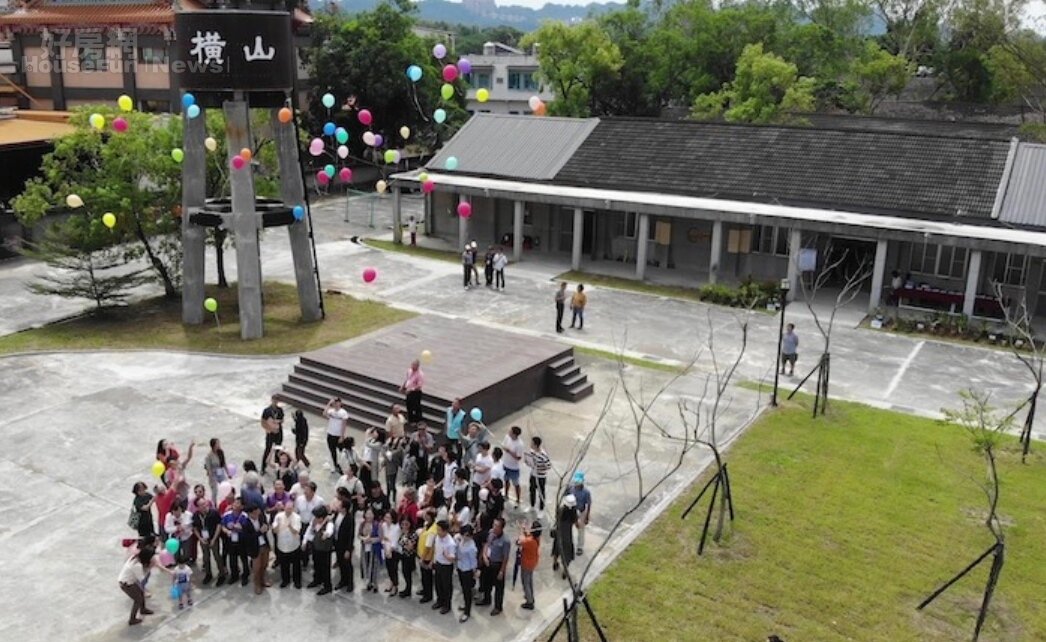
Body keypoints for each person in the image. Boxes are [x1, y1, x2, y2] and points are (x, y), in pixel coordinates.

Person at [477, 516, 510, 615]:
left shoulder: (505, 541)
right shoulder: (491, 533)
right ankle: (486, 599)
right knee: (486, 583)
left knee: (499, 588)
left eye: (497, 526)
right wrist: (484, 556)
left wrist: (501, 571)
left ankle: (498, 607)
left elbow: (505, 557)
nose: (494, 527)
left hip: (498, 564)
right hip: (488, 562)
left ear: (501, 528)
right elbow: (487, 544)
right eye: (494, 525)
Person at [118, 547, 156, 626]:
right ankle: (132, 619)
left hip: (127, 580)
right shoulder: (137, 566)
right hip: (127, 583)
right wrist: (149, 568)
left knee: (141, 593)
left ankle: (143, 609)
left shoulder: (134, 558)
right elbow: (142, 580)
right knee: (137, 599)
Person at [193, 497, 226, 586]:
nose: (204, 506)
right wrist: (200, 538)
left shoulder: (214, 513)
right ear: (198, 507)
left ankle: (222, 574)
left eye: (205, 503)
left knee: (217, 556)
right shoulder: (196, 515)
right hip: (203, 540)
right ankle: (208, 574)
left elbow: (219, 526)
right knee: (206, 557)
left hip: (213, 538)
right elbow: (195, 528)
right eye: (201, 505)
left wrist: (214, 539)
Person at [272, 498, 302, 588]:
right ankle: (285, 580)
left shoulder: (297, 517)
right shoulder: (278, 516)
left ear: (293, 508)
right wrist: (277, 526)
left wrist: (290, 526)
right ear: (284, 507)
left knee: (296, 565)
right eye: (287, 508)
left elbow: (296, 531)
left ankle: (297, 581)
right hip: (282, 545)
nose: (288, 510)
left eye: (290, 508)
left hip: (294, 545)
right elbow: (274, 530)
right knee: (284, 565)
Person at [220, 497, 250, 586]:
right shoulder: (227, 515)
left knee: (244, 559)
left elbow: (247, 528)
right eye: (235, 503)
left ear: (242, 506)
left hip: (241, 541)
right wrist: (226, 531)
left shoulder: (245, 516)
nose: (235, 505)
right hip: (230, 540)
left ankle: (245, 575)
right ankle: (234, 575)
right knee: (232, 559)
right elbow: (222, 526)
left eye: (238, 503)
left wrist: (240, 528)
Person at [307, 505, 335, 595]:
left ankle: (327, 586)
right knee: (316, 565)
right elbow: (310, 531)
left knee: (325, 568)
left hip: (325, 550)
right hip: (316, 547)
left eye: (317, 517)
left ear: (322, 517)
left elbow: (329, 531)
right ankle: (317, 580)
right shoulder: (315, 522)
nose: (315, 518)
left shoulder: (329, 523)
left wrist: (326, 534)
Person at [244, 504, 271, 594]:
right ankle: (257, 584)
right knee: (257, 568)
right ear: (249, 514)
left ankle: (263, 580)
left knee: (264, 565)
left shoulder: (261, 517)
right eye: (254, 513)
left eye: (258, 512)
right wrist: (260, 532)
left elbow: (266, 524)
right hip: (255, 547)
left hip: (264, 544)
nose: (257, 514)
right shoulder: (245, 523)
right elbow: (249, 538)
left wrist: (266, 527)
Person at [432, 519, 456, 615]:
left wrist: (446, 556)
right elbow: (436, 549)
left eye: (439, 530)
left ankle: (447, 605)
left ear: (445, 531)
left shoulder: (450, 543)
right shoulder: (437, 538)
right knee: (438, 584)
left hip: (446, 566)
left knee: (446, 586)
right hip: (438, 563)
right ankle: (439, 601)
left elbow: (452, 559)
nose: (437, 532)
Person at [456, 524, 479, 622]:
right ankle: (465, 605)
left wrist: (474, 573)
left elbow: (473, 562)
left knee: (467, 591)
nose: (464, 537)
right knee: (463, 589)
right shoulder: (462, 541)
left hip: (467, 571)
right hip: (460, 568)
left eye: (466, 535)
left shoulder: (471, 547)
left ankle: (467, 612)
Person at [517, 519, 542, 610]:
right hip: (532, 562)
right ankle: (530, 597)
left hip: (526, 563)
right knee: (529, 581)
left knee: (525, 582)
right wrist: (524, 529)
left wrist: (521, 531)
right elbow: (527, 535)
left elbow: (519, 542)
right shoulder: (536, 539)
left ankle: (529, 601)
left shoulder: (529, 541)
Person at [333, 494, 355, 592]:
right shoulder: (337, 514)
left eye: (340, 505)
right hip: (337, 543)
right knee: (341, 563)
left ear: (344, 508)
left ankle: (350, 582)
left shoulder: (350, 519)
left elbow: (351, 535)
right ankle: (343, 580)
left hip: (345, 545)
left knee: (347, 564)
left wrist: (348, 549)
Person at [552, 494, 577, 578]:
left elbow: (556, 518)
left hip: (559, 534)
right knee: (567, 554)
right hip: (567, 536)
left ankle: (555, 563)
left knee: (556, 549)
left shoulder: (560, 510)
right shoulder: (573, 514)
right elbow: (577, 524)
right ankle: (564, 572)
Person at [525, 436, 551, 512]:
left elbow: (548, 466)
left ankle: (541, 509)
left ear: (536, 445)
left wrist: (538, 467)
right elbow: (530, 462)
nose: (530, 444)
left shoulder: (543, 455)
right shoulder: (531, 452)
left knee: (541, 493)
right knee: (532, 491)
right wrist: (528, 462)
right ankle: (532, 505)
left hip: (541, 476)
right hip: (533, 474)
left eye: (532, 443)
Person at [417, 511, 438, 603]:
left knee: (427, 577)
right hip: (421, 554)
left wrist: (422, 558)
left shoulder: (433, 530)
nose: (424, 516)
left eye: (426, 515)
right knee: (423, 575)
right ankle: (424, 590)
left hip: (426, 557)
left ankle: (428, 595)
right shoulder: (426, 525)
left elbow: (428, 546)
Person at [324, 398, 349, 474]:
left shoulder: (343, 412)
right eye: (335, 403)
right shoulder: (331, 411)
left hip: (338, 435)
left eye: (337, 403)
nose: (336, 404)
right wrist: (329, 403)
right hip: (330, 434)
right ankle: (335, 466)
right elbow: (324, 413)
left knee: (342, 452)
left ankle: (345, 466)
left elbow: (344, 425)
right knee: (332, 451)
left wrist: (342, 436)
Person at [260, 395, 284, 474]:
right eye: (274, 400)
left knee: (278, 450)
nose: (275, 402)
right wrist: (270, 429)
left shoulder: (280, 410)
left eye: (277, 400)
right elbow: (263, 422)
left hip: (278, 432)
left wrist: (278, 422)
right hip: (270, 433)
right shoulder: (267, 410)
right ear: (272, 400)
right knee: (268, 450)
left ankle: (278, 467)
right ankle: (263, 468)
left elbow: (282, 419)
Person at [502, 426, 524, 509]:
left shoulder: (519, 444)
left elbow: (518, 457)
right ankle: (506, 494)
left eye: (510, 432)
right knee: (506, 480)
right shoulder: (507, 437)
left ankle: (518, 499)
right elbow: (503, 445)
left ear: (514, 434)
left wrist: (510, 452)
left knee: (516, 484)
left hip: (514, 467)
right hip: (505, 463)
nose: (509, 432)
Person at [570, 473, 592, 557]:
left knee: (581, 530)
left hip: (581, 511)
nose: (577, 484)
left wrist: (587, 516)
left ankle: (580, 547)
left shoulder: (586, 492)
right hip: (572, 510)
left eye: (578, 482)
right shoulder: (571, 489)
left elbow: (588, 504)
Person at [397, 513, 419, 598]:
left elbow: (410, 547)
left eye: (406, 524)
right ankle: (407, 588)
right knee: (404, 573)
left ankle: (408, 589)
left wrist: (405, 539)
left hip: (409, 557)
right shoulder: (401, 532)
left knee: (408, 573)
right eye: (402, 524)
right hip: (403, 555)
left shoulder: (413, 534)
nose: (404, 526)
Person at [381, 510, 402, 594]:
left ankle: (395, 586)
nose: (386, 519)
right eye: (385, 517)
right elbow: (384, 538)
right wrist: (385, 549)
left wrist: (390, 551)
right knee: (388, 568)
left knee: (394, 569)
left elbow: (395, 541)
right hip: (386, 549)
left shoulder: (396, 528)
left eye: (388, 517)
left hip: (394, 551)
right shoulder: (384, 525)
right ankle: (391, 582)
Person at [203, 438, 230, 503]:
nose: (219, 445)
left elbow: (224, 463)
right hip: (213, 473)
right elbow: (208, 468)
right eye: (217, 443)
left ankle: (227, 502)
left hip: (220, 471)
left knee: (226, 486)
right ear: (214, 445)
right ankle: (214, 505)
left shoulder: (221, 452)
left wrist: (228, 473)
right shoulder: (208, 456)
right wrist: (211, 478)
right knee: (215, 491)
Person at [400, 360, 425, 426]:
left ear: (417, 366)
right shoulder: (409, 371)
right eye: (412, 365)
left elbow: (419, 386)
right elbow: (407, 379)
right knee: (409, 406)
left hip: (416, 392)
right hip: (409, 391)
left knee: (416, 407)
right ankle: (411, 420)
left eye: (414, 365)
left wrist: (411, 390)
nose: (412, 367)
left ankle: (418, 420)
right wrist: (403, 386)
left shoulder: (420, 374)